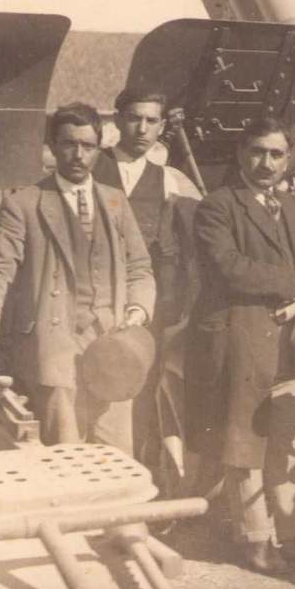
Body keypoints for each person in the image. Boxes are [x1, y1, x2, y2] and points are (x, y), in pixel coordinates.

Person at [187, 115, 295, 573]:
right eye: (257, 152)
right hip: (239, 335)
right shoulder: (217, 207)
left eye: (277, 154)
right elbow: (228, 268)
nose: (266, 163)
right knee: (246, 439)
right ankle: (255, 541)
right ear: (241, 154)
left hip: (289, 340)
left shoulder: (289, 205)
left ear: (287, 159)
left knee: (292, 438)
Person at [0, 103, 155, 455]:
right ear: (51, 145)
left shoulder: (115, 202)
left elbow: (140, 267)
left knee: (117, 457)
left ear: (98, 148)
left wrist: (138, 309)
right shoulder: (24, 205)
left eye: (88, 146)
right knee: (66, 457)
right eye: (68, 144)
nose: (78, 155)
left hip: (113, 350)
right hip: (55, 350)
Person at [91, 89, 203, 470]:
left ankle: (138, 470)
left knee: (141, 389)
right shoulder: (91, 166)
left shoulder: (168, 181)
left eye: (151, 121)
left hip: (145, 304)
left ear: (161, 126)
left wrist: (164, 306)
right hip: (94, 299)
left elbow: (171, 249)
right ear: (117, 120)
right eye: (134, 118)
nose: (142, 129)